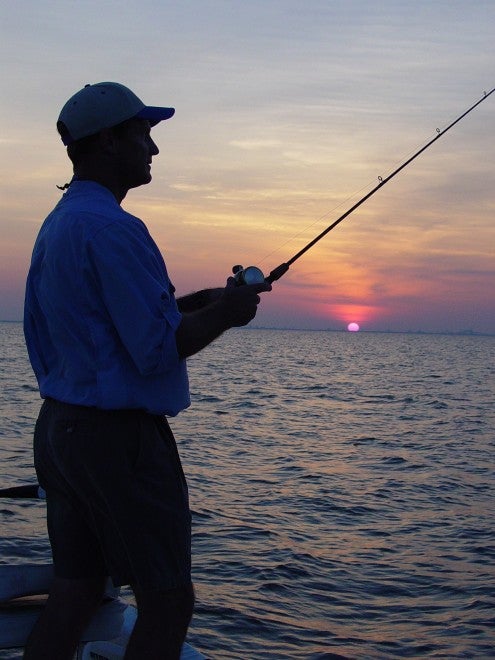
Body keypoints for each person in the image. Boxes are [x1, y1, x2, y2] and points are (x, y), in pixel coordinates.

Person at [23, 81, 271, 660]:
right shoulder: (115, 229)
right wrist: (230, 313)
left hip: (61, 430)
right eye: (144, 134)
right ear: (109, 140)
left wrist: (202, 301)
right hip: (118, 440)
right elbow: (156, 350)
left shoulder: (59, 225)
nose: (153, 149)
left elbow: (97, 324)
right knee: (168, 599)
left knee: (77, 588)